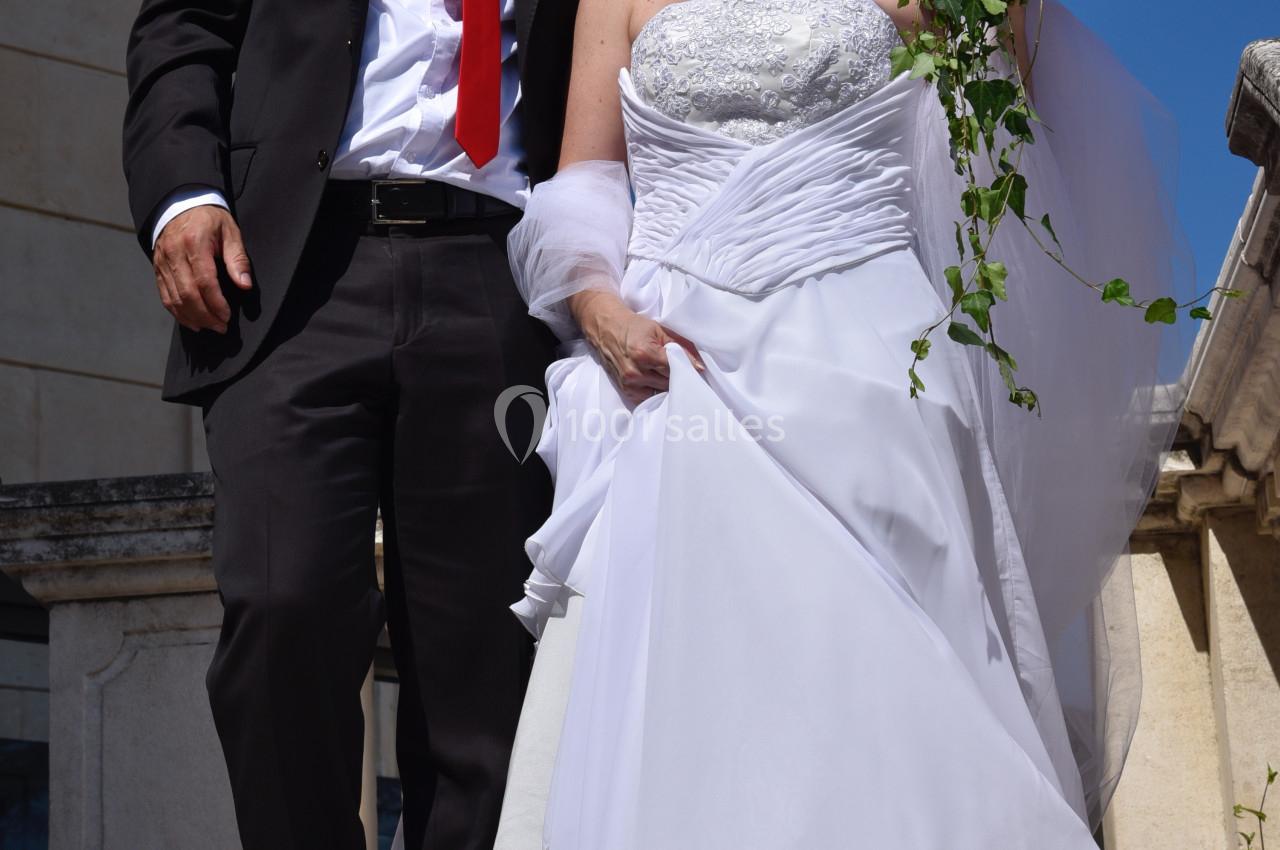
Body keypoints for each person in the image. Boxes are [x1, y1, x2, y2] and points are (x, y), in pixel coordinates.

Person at [496, 0, 1193, 846]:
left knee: (893, 689)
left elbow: (1012, 128)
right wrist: (603, 315)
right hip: (674, 366)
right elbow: (587, 181)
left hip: (869, 357)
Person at [121, 0, 579, 847]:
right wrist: (182, 193)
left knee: (485, 651)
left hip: (497, 269)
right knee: (280, 598)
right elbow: (183, 27)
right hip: (292, 267)